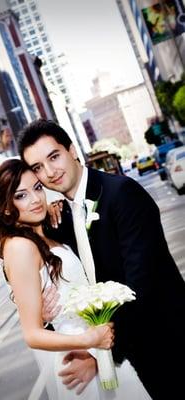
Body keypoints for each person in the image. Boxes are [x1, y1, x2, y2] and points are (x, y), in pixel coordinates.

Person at [17, 118, 185, 400]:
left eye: (54, 157)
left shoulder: (123, 194)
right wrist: (46, 315)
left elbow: (140, 288)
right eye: (37, 168)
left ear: (72, 150)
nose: (49, 172)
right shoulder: (60, 219)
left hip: (168, 340)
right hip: (130, 357)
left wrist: (99, 356)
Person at [0, 156, 151, 399]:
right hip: (78, 356)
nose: (35, 199)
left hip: (99, 348)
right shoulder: (19, 247)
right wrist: (89, 339)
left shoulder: (47, 234)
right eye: (21, 195)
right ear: (5, 206)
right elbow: (32, 334)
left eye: (37, 188)